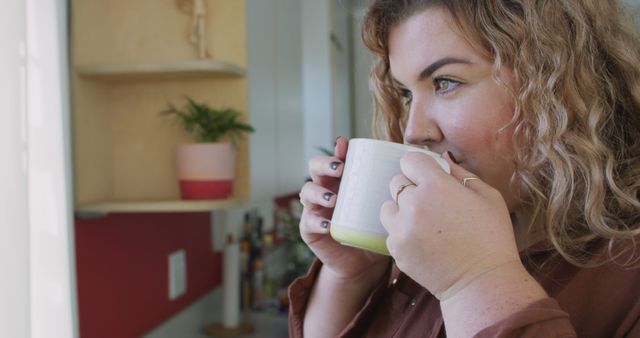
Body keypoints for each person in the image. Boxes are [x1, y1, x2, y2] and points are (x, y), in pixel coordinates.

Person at [291, 0, 640, 337]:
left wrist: (476, 279)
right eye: (407, 94)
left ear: (558, 84)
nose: (414, 131)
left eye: (445, 82)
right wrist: (352, 276)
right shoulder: (426, 238)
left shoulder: (626, 274)